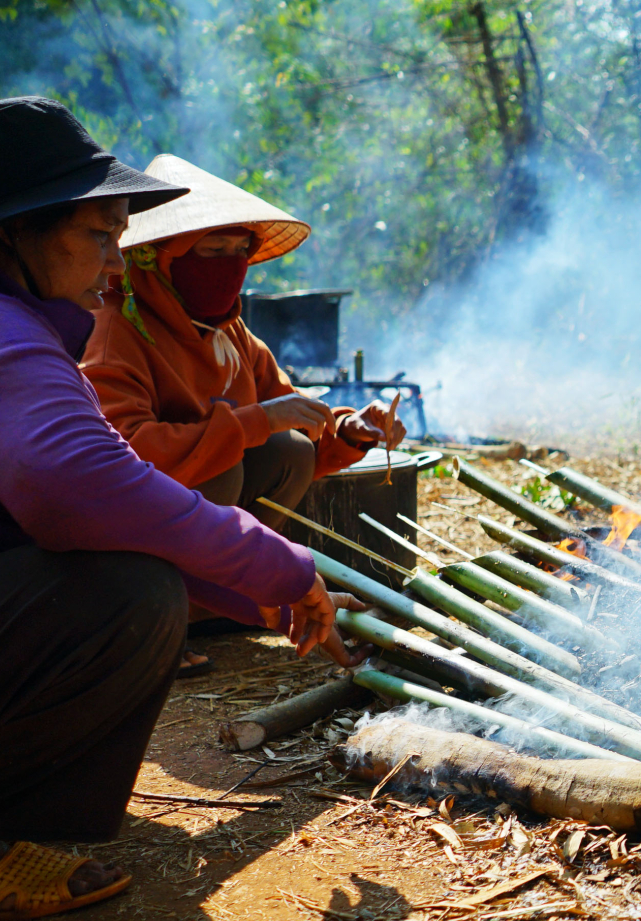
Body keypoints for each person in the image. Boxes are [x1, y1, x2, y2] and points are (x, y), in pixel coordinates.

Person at [0, 97, 364, 921]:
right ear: (12, 232)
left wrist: (260, 596)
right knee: (123, 596)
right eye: (98, 237)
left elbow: (58, 513)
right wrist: (281, 565)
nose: (114, 264)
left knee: (134, 574)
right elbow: (85, 491)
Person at [84, 155, 405, 675]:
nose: (230, 265)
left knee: (290, 451)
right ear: (154, 258)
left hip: (203, 541)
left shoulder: (229, 332)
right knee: (224, 462)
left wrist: (352, 429)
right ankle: (162, 620)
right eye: (211, 251)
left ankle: (222, 601)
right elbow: (124, 463)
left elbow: (298, 425)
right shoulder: (112, 331)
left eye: (240, 251)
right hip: (125, 547)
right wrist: (250, 424)